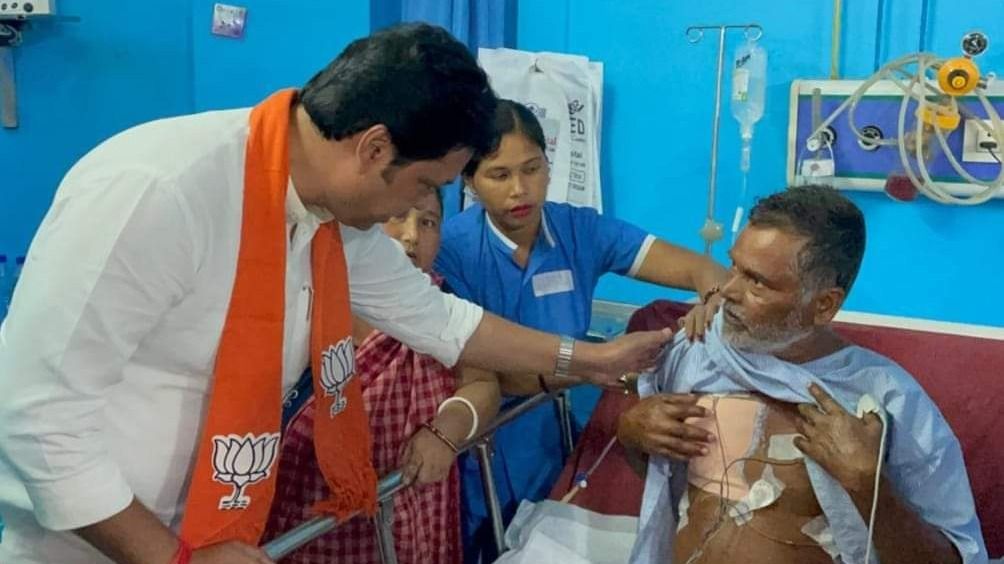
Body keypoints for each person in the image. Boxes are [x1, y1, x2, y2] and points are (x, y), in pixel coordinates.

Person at [0, 24, 672, 564]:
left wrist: (591, 361)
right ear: (375, 148)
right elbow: (35, 417)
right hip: (88, 537)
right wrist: (165, 556)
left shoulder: (327, 221)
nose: (414, 215)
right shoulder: (158, 191)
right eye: (420, 187)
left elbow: (438, 318)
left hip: (214, 521)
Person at [617, 185, 987, 563]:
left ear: (824, 304)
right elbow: (660, 479)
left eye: (757, 281)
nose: (727, 291)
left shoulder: (886, 401)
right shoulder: (697, 351)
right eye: (734, 268)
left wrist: (867, 484)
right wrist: (631, 432)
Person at [433, 99, 729, 562]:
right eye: (499, 175)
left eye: (532, 168)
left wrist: (713, 299)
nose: (519, 189)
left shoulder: (577, 231)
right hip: (477, 453)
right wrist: (599, 364)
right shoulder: (451, 250)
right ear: (469, 180)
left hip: (550, 443)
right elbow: (488, 375)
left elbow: (700, 267)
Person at [262, 190, 500, 564]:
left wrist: (447, 429)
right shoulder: (312, 295)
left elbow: (483, 384)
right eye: (398, 216)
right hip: (304, 515)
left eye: (428, 222)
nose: (411, 236)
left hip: (411, 517)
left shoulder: (441, 301)